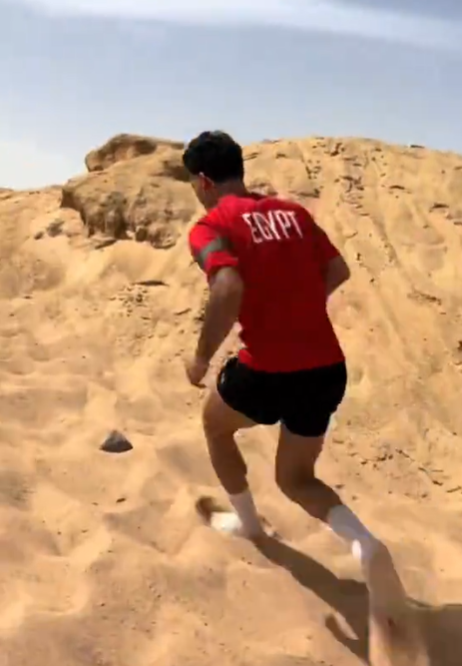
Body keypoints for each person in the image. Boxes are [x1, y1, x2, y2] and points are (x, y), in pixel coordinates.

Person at [182, 130, 403, 609]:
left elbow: (227, 286)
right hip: (327, 368)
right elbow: (338, 270)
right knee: (297, 478)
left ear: (203, 181)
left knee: (215, 426)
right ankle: (364, 543)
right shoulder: (294, 214)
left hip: (269, 369)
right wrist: (298, 308)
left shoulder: (210, 226)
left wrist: (200, 358)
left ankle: (249, 525)